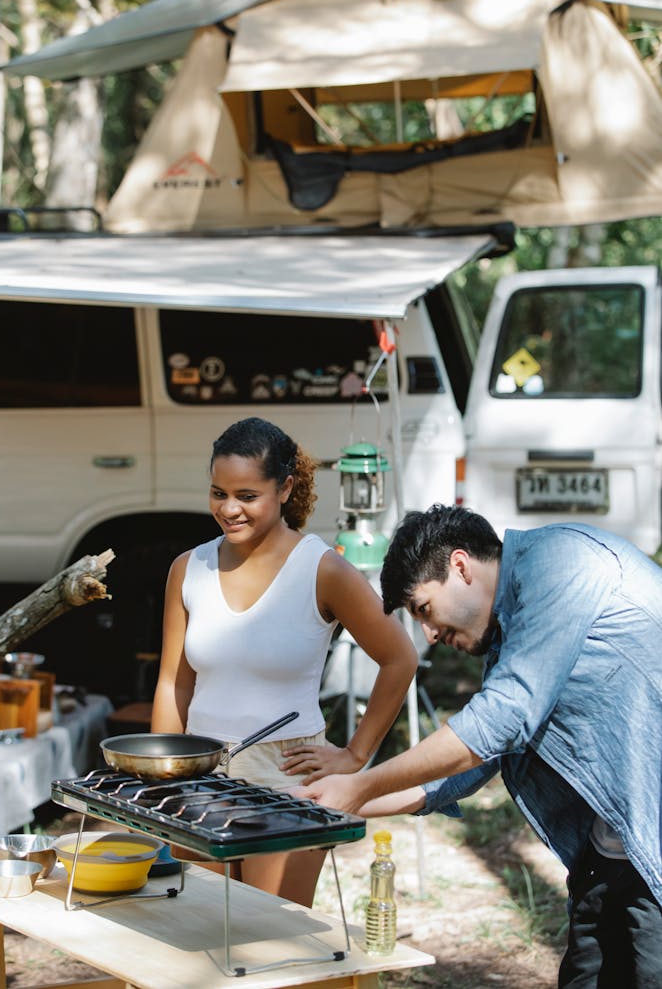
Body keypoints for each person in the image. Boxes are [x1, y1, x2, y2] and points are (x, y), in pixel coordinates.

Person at [296, 504, 662, 987]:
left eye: (424, 610)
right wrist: (340, 804)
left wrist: (361, 784)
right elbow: (467, 768)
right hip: (612, 848)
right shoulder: (514, 628)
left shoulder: (563, 564)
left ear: (461, 566)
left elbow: (501, 720)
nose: (428, 633)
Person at [150, 416, 417, 907]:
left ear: (286, 488)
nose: (229, 509)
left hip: (287, 777)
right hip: (199, 773)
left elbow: (399, 657)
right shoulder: (188, 568)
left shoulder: (322, 569)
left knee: (271, 943)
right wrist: (164, 777)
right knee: (199, 933)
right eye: (218, 492)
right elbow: (173, 685)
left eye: (247, 495)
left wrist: (356, 754)